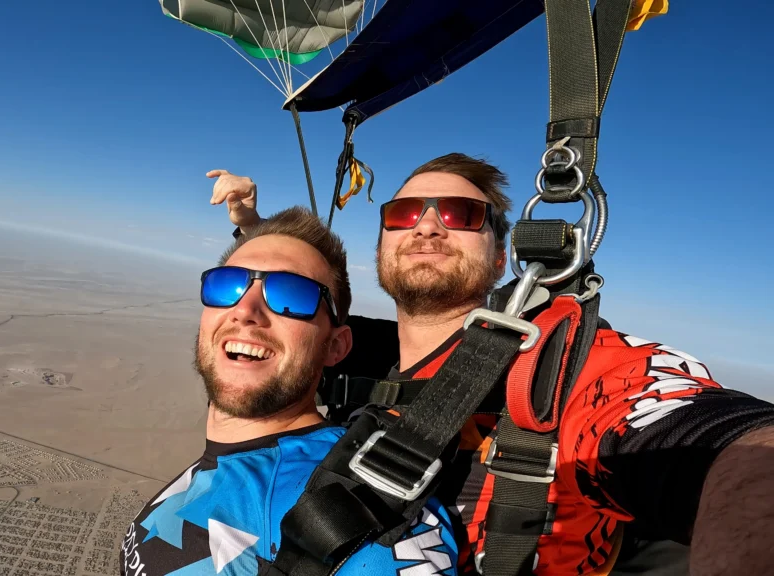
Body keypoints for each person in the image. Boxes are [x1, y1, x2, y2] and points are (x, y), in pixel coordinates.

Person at [208, 156, 774, 575]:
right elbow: (277, 314)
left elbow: (720, 439)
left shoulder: (563, 369)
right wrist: (253, 228)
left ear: (501, 255)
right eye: (404, 214)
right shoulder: (354, 352)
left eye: (459, 214)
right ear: (380, 243)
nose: (427, 227)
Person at [123, 207, 460, 576]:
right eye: (227, 284)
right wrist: (249, 223)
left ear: (336, 346)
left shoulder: (352, 505)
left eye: (291, 295)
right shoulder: (236, 450)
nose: (245, 310)